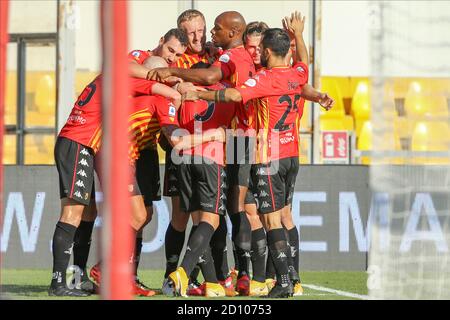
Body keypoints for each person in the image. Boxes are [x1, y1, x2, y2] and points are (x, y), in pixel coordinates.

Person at [182, 18, 320, 297]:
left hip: (267, 155)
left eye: (260, 49)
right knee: (279, 216)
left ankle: (280, 281)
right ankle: (287, 278)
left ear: (268, 51)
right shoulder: (298, 73)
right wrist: (300, 34)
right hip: (292, 154)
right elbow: (305, 61)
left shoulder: (266, 78)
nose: (256, 53)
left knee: (268, 219)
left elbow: (234, 94)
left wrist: (198, 93)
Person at [149, 10, 257, 296]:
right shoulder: (222, 76)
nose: (202, 36)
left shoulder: (201, 74)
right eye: (190, 33)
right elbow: (226, 91)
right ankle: (185, 273)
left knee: (224, 213)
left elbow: (198, 86)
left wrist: (177, 80)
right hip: (216, 150)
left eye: (208, 29)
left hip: (186, 151)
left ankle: (216, 281)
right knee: (214, 217)